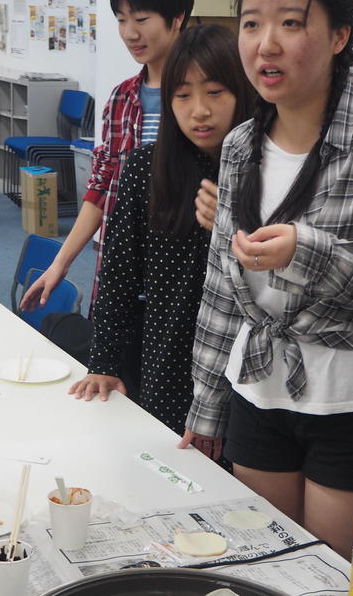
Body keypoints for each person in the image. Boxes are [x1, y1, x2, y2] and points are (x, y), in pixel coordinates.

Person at [180, 0, 353, 556]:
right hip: (258, 385)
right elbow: (222, 289)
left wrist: (311, 253)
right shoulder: (239, 147)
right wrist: (206, 405)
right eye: (251, 24)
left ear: (339, 36)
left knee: (331, 577)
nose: (265, 43)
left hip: (350, 395)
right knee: (262, 560)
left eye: (291, 23)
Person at [69, 25, 253, 434]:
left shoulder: (264, 169)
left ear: (243, 92)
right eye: (183, 95)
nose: (199, 110)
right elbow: (118, 270)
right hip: (165, 353)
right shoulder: (145, 167)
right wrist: (103, 361)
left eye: (215, 92)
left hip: (242, 367)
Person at [20, 0, 195, 319]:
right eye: (122, 20)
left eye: (141, 20)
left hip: (183, 280)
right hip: (124, 271)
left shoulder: (204, 102)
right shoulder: (122, 98)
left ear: (177, 18)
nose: (130, 33)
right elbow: (100, 188)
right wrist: (61, 263)